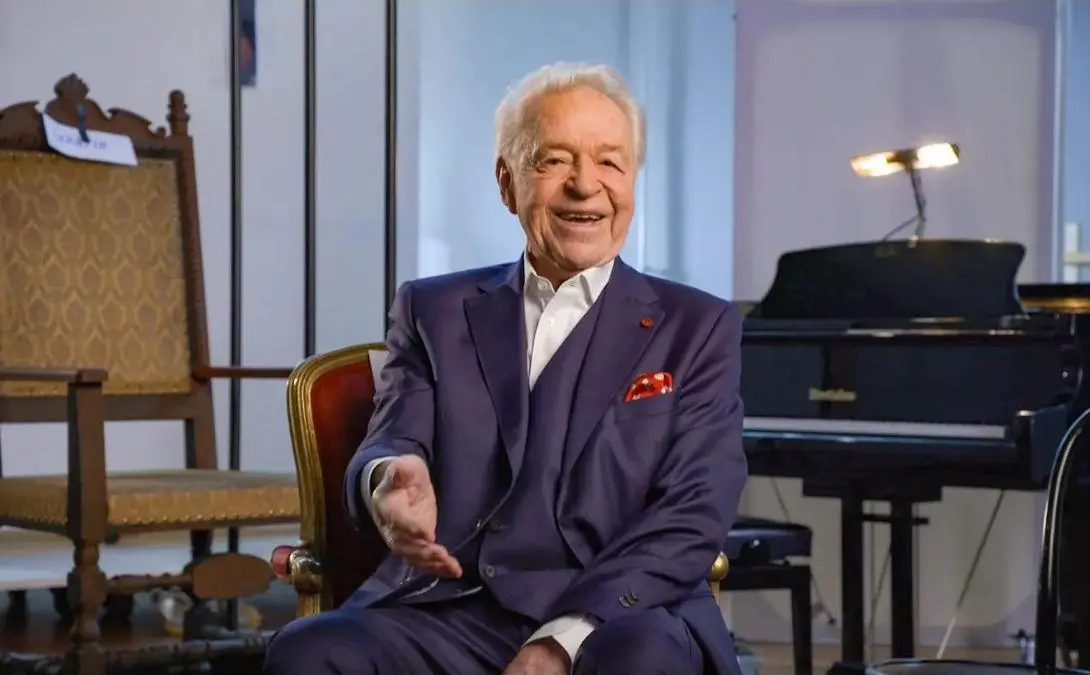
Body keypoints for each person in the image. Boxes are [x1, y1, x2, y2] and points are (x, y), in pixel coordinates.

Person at [264, 61, 748, 675]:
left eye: (610, 162)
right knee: (310, 651)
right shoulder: (433, 310)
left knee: (640, 659)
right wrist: (386, 479)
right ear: (506, 182)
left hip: (618, 615)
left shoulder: (699, 326)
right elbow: (393, 438)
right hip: (454, 608)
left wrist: (561, 641)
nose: (585, 185)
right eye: (554, 161)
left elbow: (694, 509)